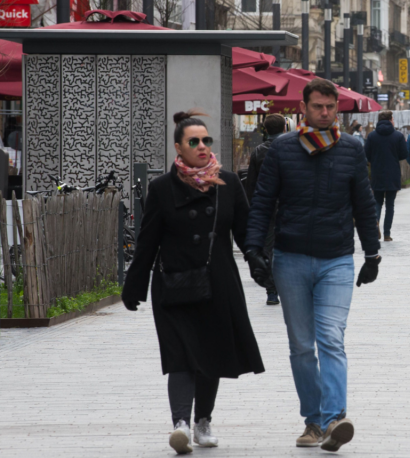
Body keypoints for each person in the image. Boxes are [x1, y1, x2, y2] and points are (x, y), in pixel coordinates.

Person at [246, 78, 381, 452]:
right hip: (289, 259)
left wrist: (372, 254)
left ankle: (336, 417)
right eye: (318, 106)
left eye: (330, 107)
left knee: (331, 338)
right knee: (302, 346)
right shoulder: (281, 150)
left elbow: (364, 205)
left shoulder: (352, 149)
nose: (324, 113)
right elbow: (262, 202)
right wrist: (253, 248)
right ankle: (313, 421)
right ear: (302, 108)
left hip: (336, 259)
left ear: (337, 109)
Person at [122, 109, 265, 455]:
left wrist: (258, 260)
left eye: (206, 140)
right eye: (194, 141)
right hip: (174, 283)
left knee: (211, 354)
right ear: (178, 147)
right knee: (182, 356)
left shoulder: (228, 184)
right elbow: (148, 239)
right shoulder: (161, 188)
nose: (202, 146)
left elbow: (246, 231)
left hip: (218, 282)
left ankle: (203, 421)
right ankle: (181, 425)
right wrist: (134, 285)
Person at [245, 113, 287, 306]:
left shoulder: (257, 152)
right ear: (285, 128)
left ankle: (271, 291)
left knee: (268, 249)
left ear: (265, 130)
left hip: (267, 208)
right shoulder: (293, 149)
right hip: (291, 207)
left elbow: (251, 184)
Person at [364, 110, 408, 241]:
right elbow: (403, 154)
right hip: (393, 173)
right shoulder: (398, 136)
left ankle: (375, 226)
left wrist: (375, 160)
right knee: (390, 205)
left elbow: (367, 154)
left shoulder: (372, 136)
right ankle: (387, 234)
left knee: (377, 202)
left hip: (377, 172)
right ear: (390, 120)